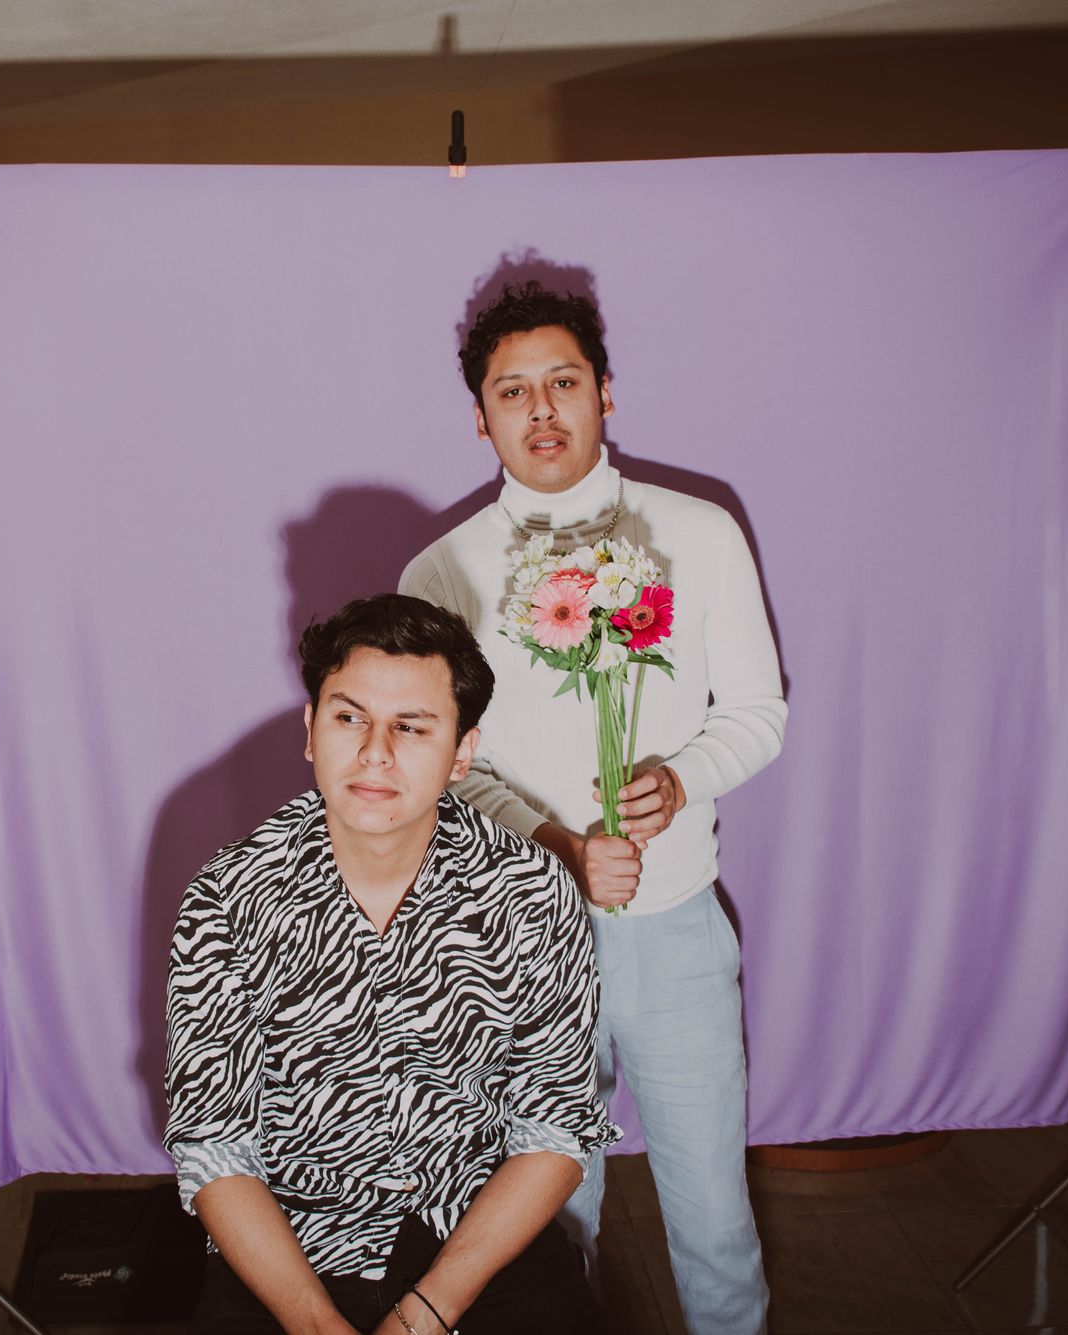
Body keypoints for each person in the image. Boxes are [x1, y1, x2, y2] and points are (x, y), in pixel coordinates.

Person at [400, 281, 786, 1335]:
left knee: (713, 1220)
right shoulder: (442, 569)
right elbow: (442, 765)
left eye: (563, 382)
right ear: (480, 416)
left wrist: (681, 777)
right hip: (522, 942)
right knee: (541, 1229)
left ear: (605, 392)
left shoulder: (698, 531)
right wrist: (556, 845)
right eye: (511, 391)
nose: (541, 410)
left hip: (674, 932)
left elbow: (757, 713)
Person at [165, 593, 615, 1335]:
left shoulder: (532, 892)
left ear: (462, 752)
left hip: (475, 1237)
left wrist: (426, 1313)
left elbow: (553, 1132)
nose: (375, 751)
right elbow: (215, 1147)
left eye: (411, 726)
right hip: (288, 1248)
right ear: (310, 730)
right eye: (349, 718)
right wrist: (317, 1325)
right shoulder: (228, 896)